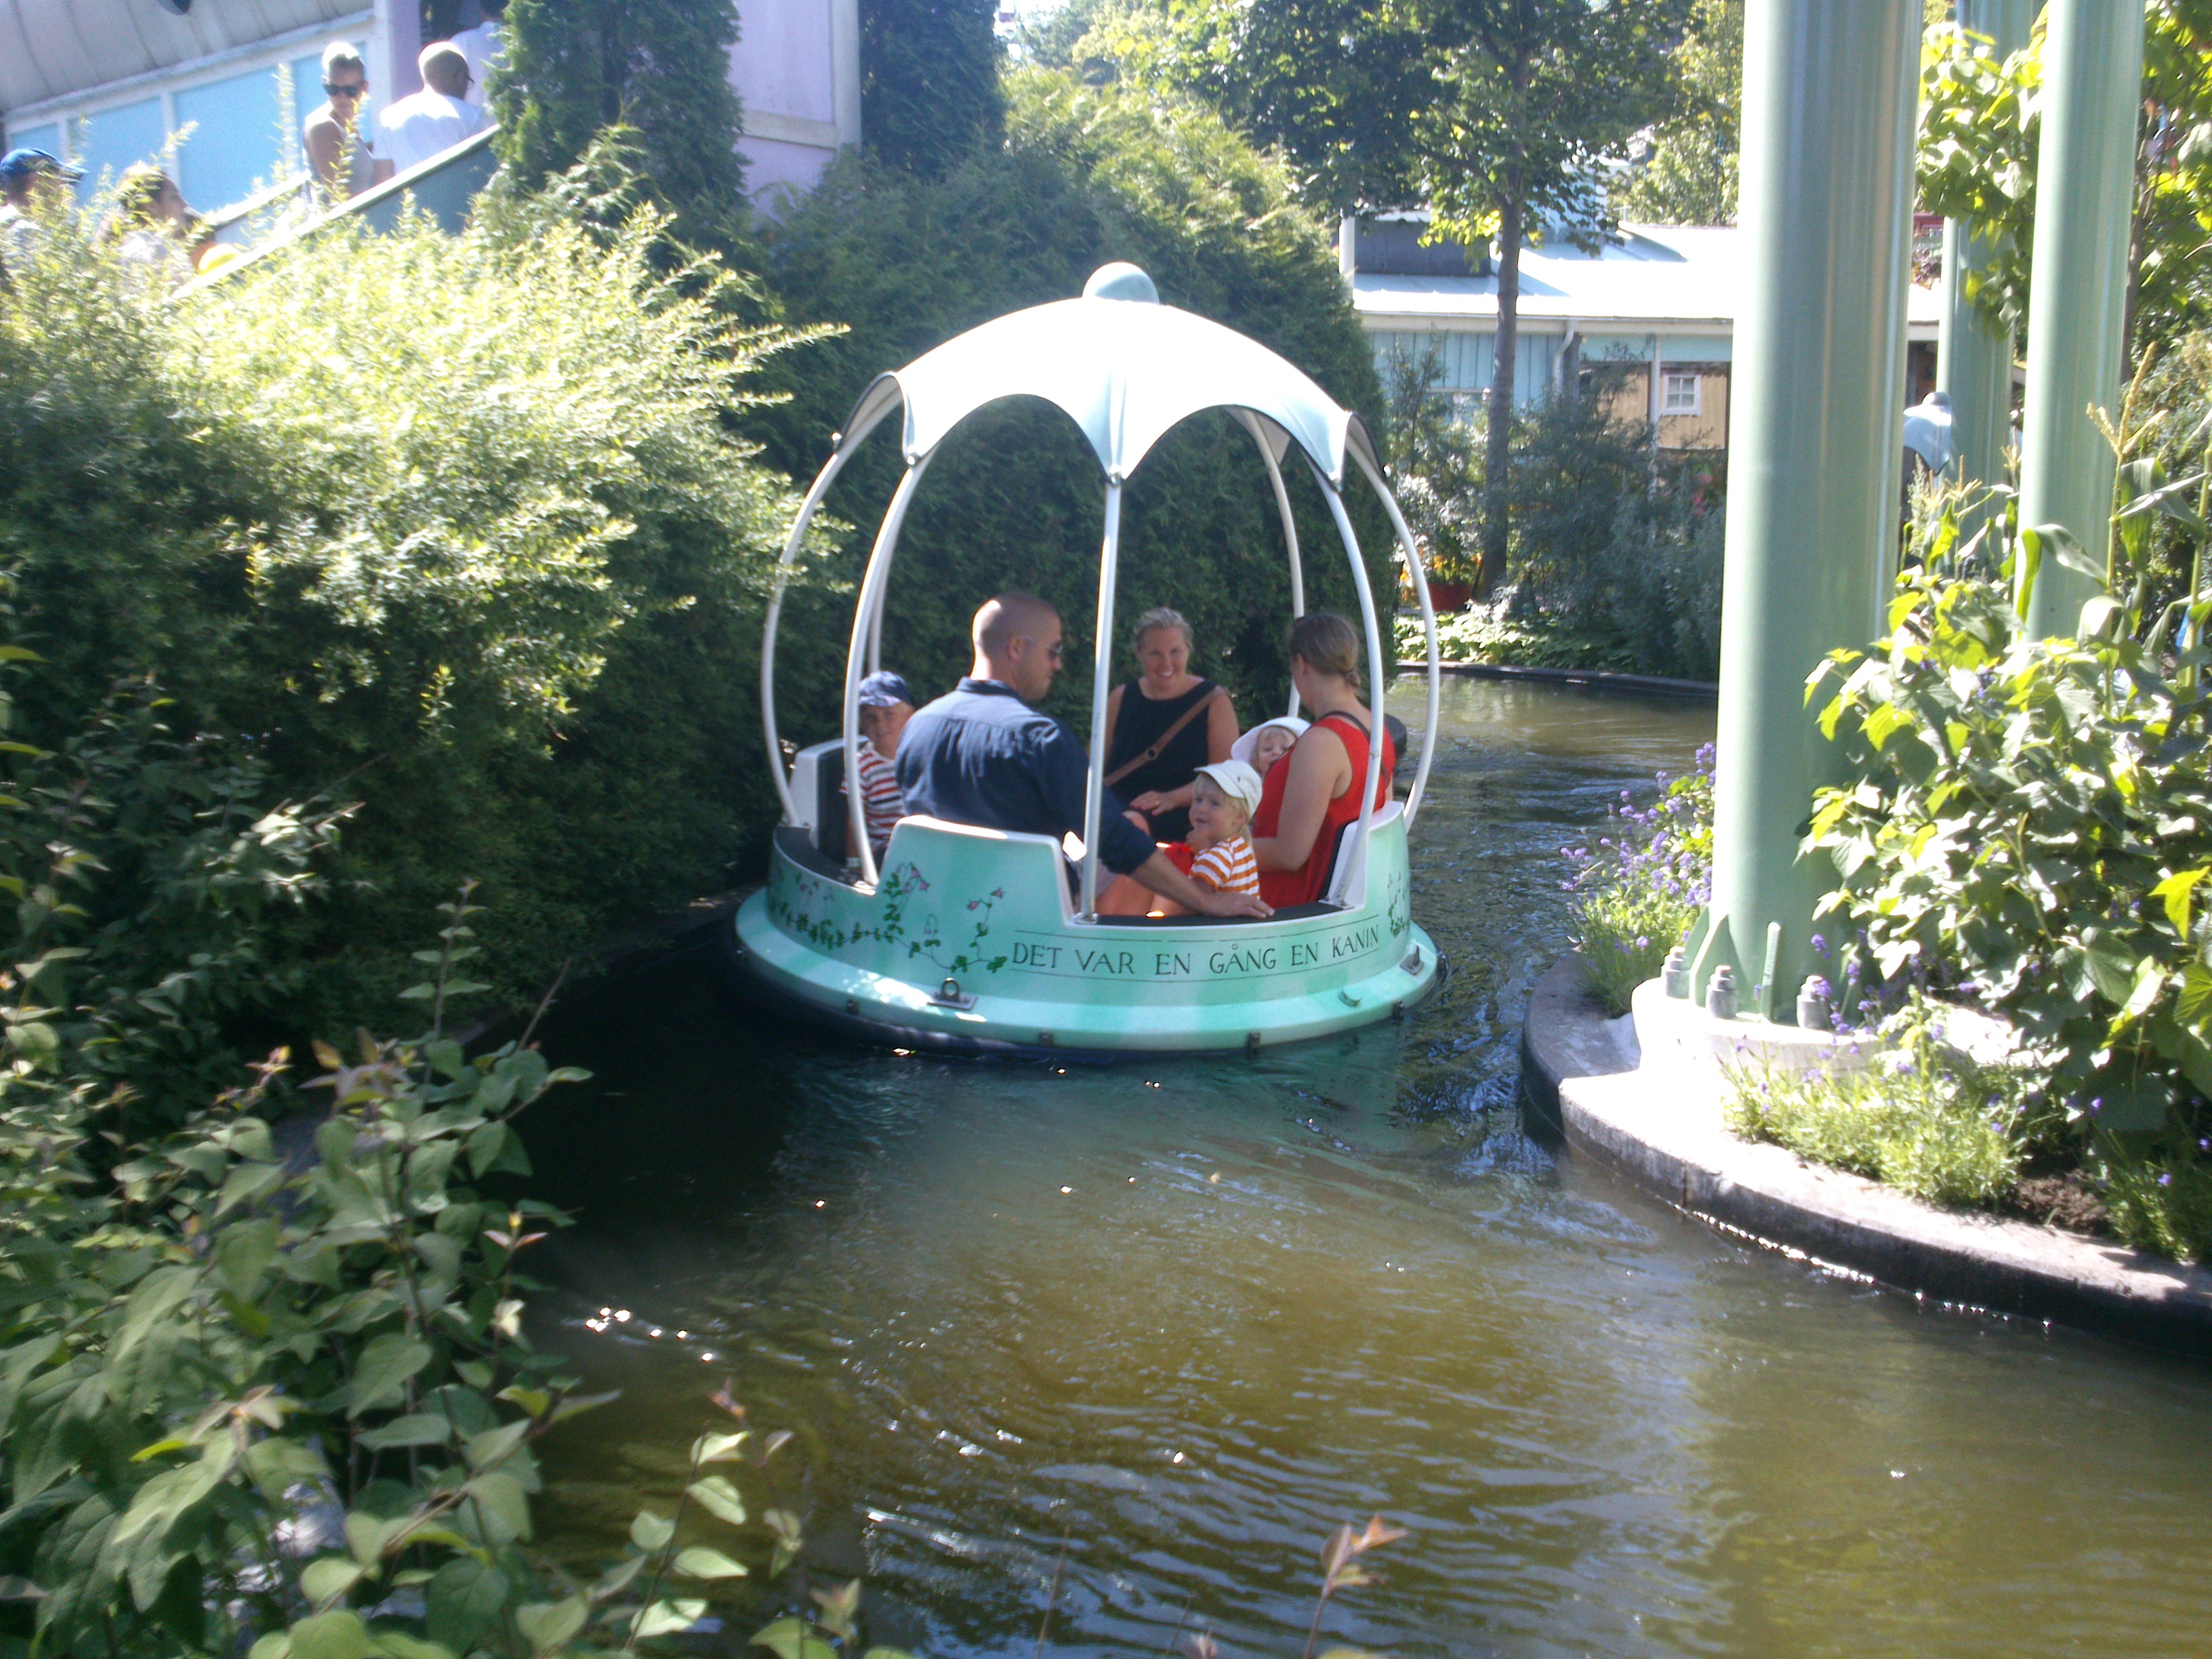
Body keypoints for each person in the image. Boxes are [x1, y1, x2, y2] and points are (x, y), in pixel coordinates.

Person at [896, 593, 1271, 920]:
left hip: (932, 907)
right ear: (1016, 648)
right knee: (1131, 840)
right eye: (1053, 651)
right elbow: (1114, 840)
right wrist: (1205, 901)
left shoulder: (917, 727)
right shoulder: (1038, 739)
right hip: (1027, 914)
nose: (1058, 665)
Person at [1250, 613, 1395, 908]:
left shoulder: (1322, 742)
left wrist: (1217, 848)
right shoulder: (1377, 729)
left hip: (1279, 907)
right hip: (1335, 900)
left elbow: (1289, 855)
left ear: (1301, 664)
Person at [1101, 607, 1239, 844]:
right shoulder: (1120, 697)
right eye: (1155, 653)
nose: (1166, 664)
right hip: (1116, 810)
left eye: (1175, 652)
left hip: (1182, 813)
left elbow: (1224, 777)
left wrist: (1171, 798)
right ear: (1139, 653)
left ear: (1188, 651)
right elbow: (1094, 763)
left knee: (1129, 826)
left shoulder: (1213, 701)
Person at [376, 43, 489, 177]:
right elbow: (484, 172)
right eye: (468, 80)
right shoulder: (473, 115)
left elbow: (383, 180)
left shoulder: (389, 117)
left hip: (408, 191)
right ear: (459, 76)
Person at [304, 42, 392, 205]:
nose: (342, 97)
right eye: (333, 90)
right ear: (325, 83)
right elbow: (340, 196)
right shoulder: (322, 126)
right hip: (343, 220)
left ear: (364, 88)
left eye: (350, 91)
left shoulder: (347, 125)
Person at [843, 670, 914, 861]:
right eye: (871, 718)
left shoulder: (920, 752)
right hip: (885, 846)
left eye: (889, 714)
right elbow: (855, 820)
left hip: (921, 840)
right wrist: (854, 864)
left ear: (909, 715)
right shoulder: (862, 766)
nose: (880, 725)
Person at [109, 165, 213, 280]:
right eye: (174, 197)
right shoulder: (161, 253)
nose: (184, 204)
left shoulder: (120, 257)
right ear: (151, 206)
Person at [0, 148, 81, 268]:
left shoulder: (8, 222)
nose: (64, 191)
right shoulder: (22, 231)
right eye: (59, 182)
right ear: (36, 180)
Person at [449, 0, 510, 109]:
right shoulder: (525, 43)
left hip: (470, 116)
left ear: (481, 11)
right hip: (515, 117)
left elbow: (448, 86)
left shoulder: (462, 41)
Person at [1230, 715, 1307, 777]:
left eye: (1285, 749)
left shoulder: (1300, 786)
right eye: (1268, 749)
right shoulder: (1252, 786)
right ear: (1257, 759)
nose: (1276, 752)